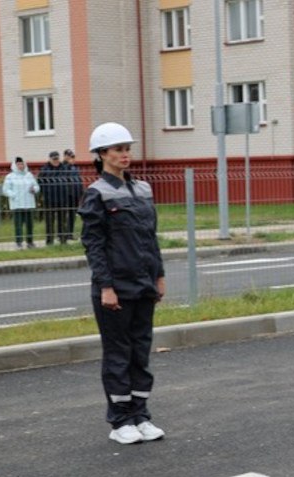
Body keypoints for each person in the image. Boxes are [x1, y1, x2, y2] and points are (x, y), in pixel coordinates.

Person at [77, 122, 167, 445]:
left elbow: (150, 238)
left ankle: (141, 415)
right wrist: (106, 286)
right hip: (115, 287)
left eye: (127, 149)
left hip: (143, 284)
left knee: (140, 351)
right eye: (117, 150)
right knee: (118, 353)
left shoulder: (143, 189)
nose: (124, 155)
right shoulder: (97, 193)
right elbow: (94, 245)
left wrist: (159, 275)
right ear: (102, 155)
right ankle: (120, 420)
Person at [3, 156, 39, 249]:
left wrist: (34, 189)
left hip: (29, 203)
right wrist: (14, 195)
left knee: (29, 224)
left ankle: (30, 242)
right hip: (17, 204)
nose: (20, 166)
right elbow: (6, 190)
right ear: (15, 165)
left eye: (22, 164)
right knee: (18, 225)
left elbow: (37, 187)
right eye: (18, 164)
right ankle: (18, 242)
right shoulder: (10, 177)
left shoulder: (29, 175)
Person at [38, 150, 65, 246]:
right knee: (49, 221)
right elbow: (40, 183)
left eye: (57, 159)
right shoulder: (45, 169)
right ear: (50, 159)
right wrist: (43, 195)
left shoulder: (63, 168)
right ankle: (49, 240)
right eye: (54, 159)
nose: (56, 161)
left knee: (62, 220)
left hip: (62, 198)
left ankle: (62, 239)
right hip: (49, 199)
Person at [61, 148, 84, 242]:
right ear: (65, 156)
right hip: (67, 195)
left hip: (75, 194)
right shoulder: (63, 167)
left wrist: (81, 191)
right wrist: (68, 165)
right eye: (70, 157)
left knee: (72, 215)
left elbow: (78, 180)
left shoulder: (75, 167)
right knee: (64, 215)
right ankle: (63, 234)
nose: (72, 159)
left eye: (73, 157)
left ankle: (70, 233)